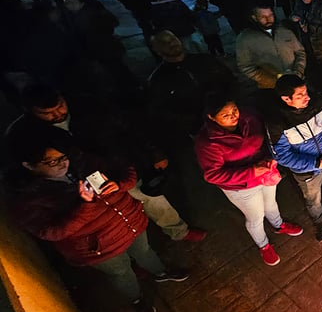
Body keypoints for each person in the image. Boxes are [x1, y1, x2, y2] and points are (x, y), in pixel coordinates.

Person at [3, 141, 189, 312]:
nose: (63, 163)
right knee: (121, 272)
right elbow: (52, 232)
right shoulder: (27, 199)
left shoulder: (81, 160)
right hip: (99, 246)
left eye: (63, 156)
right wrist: (86, 205)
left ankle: (161, 272)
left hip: (128, 223)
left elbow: (125, 168)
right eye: (52, 161)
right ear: (29, 165)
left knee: (145, 251)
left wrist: (119, 184)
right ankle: (137, 299)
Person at [5, 85, 207, 243]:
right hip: (79, 182)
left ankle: (178, 231)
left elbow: (128, 126)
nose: (57, 114)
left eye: (60, 106)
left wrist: (154, 152)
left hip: (120, 165)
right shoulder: (24, 134)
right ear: (30, 112)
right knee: (106, 219)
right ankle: (130, 251)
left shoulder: (87, 104)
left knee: (150, 197)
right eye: (47, 113)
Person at [195, 93, 304, 266]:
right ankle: (263, 245)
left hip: (265, 173)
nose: (233, 116)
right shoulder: (208, 142)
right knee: (256, 215)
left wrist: (271, 156)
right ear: (211, 117)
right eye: (225, 115)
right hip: (241, 186)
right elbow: (213, 175)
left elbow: (267, 137)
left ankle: (278, 225)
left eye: (234, 110)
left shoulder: (249, 117)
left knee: (271, 203)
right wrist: (252, 171)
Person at [264, 75, 322, 243]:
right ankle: (319, 221)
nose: (307, 97)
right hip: (307, 170)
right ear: (286, 99)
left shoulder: (316, 101)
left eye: (306, 92)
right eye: (300, 95)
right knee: (313, 199)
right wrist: (314, 163)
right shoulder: (278, 122)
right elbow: (281, 155)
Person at [236, 2, 306, 89]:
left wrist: (298, 72)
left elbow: (300, 52)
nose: (268, 19)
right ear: (254, 17)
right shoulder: (245, 39)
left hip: (296, 82)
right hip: (271, 87)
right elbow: (246, 66)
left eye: (270, 15)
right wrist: (273, 81)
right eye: (263, 17)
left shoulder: (284, 31)